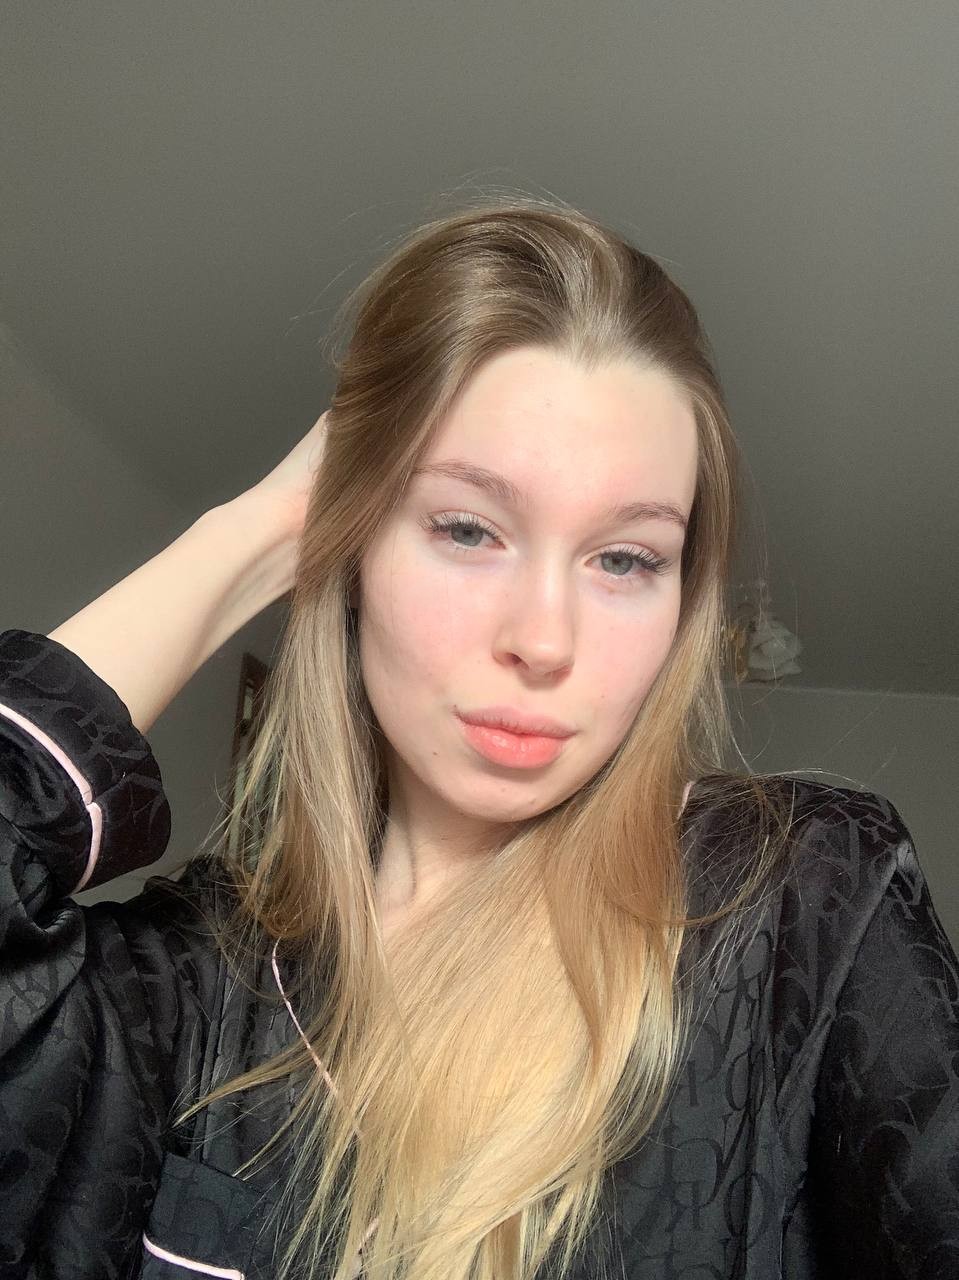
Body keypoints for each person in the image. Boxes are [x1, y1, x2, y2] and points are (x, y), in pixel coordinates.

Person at [1, 196, 957, 1280]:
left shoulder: (804, 906)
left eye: (624, 558)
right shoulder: (198, 979)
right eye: (465, 527)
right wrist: (255, 533)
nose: (542, 640)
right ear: (352, 544)